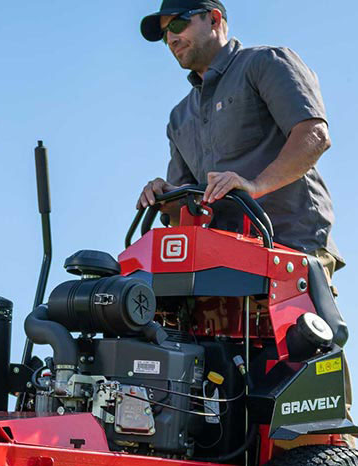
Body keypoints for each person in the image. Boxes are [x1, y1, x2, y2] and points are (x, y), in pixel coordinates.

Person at [137, 0, 344, 280]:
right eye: (165, 35)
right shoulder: (179, 117)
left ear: (213, 18)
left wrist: (254, 186)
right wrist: (165, 196)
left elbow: (314, 135)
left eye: (177, 24)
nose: (172, 38)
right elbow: (184, 209)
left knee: (299, 326)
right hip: (217, 261)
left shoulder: (265, 63)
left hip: (290, 247)